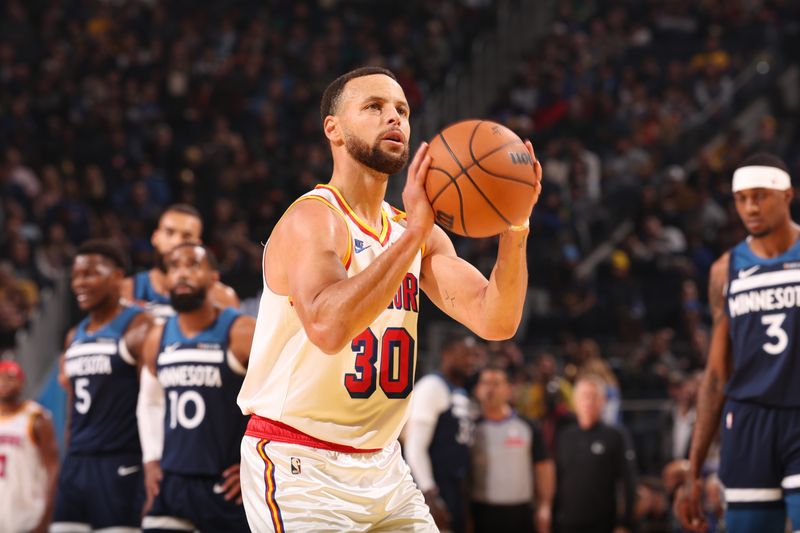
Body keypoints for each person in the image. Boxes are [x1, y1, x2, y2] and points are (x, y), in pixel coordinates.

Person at [237, 65, 541, 531]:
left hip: (383, 465)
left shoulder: (413, 231)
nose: (394, 118)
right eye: (374, 107)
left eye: (402, 109)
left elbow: (495, 320)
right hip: (300, 461)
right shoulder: (313, 219)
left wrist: (515, 226)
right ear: (333, 130)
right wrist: (415, 234)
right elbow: (327, 327)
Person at [675, 153, 800, 533]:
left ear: (787, 195)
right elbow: (715, 375)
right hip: (747, 422)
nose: (750, 207)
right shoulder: (724, 270)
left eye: (760, 196)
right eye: (741, 198)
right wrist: (693, 469)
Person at [138, 243, 255, 532]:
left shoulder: (242, 331)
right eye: (174, 267)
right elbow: (150, 401)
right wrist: (151, 458)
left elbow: (278, 399)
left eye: (193, 265)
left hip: (227, 485)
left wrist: (253, 463)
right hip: (172, 481)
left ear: (214, 277)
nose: (182, 273)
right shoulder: (157, 336)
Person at [53, 240, 153, 531]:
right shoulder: (74, 335)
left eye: (90, 274)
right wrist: (69, 453)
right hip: (76, 462)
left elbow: (155, 402)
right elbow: (72, 406)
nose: (79, 283)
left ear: (118, 277)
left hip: (121, 462)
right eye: (75, 276)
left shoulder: (140, 326)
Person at [404, 334, 481, 533]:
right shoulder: (432, 386)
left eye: (474, 355)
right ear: (447, 354)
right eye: (466, 355)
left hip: (456, 485)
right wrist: (429, 494)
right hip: (436, 485)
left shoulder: (459, 390)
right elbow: (415, 447)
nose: (471, 361)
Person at [470, 365, 555, 533]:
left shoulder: (527, 426)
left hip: (520, 512)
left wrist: (545, 506)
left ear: (509, 390)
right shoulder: (470, 428)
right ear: (478, 389)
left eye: (496, 383)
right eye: (485, 383)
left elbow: (543, 467)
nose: (490, 389)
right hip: (481, 511)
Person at [121, 204, 239, 318]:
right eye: (169, 233)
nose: (176, 242)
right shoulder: (125, 291)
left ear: (197, 245)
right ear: (155, 237)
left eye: (186, 236)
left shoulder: (221, 297)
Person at [554, 375, 637, 533]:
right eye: (584, 396)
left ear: (603, 401)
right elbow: (557, 480)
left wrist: (624, 523)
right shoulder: (565, 436)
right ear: (574, 401)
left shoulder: (616, 435)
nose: (589, 402)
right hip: (567, 523)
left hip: (604, 523)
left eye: (594, 396)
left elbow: (628, 481)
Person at [0, 360, 59, 533]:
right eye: (1, 377)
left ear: (22, 382)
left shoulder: (37, 418)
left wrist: (45, 519)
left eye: (11, 377)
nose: (4, 382)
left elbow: (53, 468)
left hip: (28, 516)